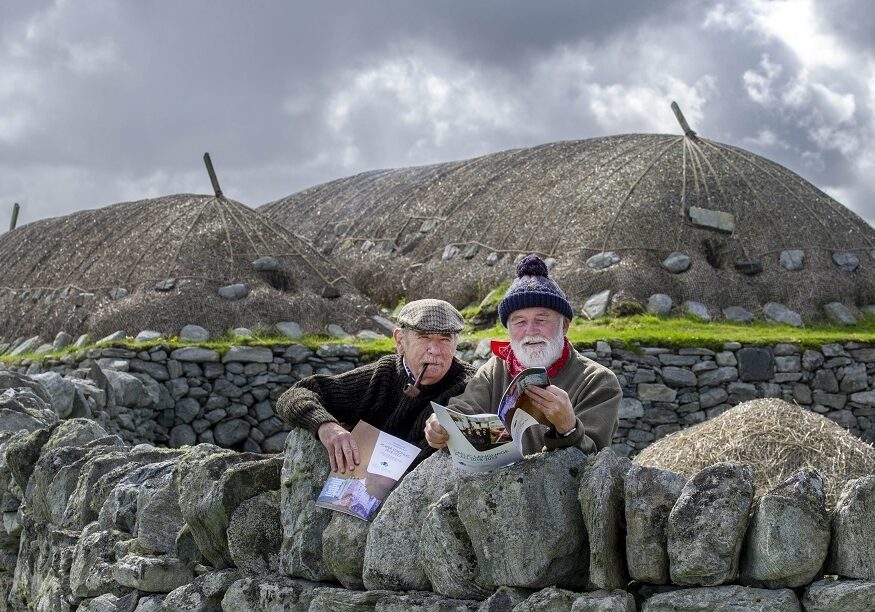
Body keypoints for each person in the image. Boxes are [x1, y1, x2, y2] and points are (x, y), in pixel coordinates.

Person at [425, 254, 621, 455]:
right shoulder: (495, 369)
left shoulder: (598, 381)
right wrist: (442, 426)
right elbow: (464, 409)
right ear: (508, 329)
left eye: (541, 320)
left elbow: (595, 461)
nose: (530, 331)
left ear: (564, 325)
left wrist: (568, 427)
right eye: (519, 322)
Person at [275, 299, 475, 473]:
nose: (435, 350)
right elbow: (296, 394)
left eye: (444, 339)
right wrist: (326, 427)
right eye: (424, 337)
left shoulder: (470, 384)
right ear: (400, 341)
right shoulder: (382, 375)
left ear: (455, 344)